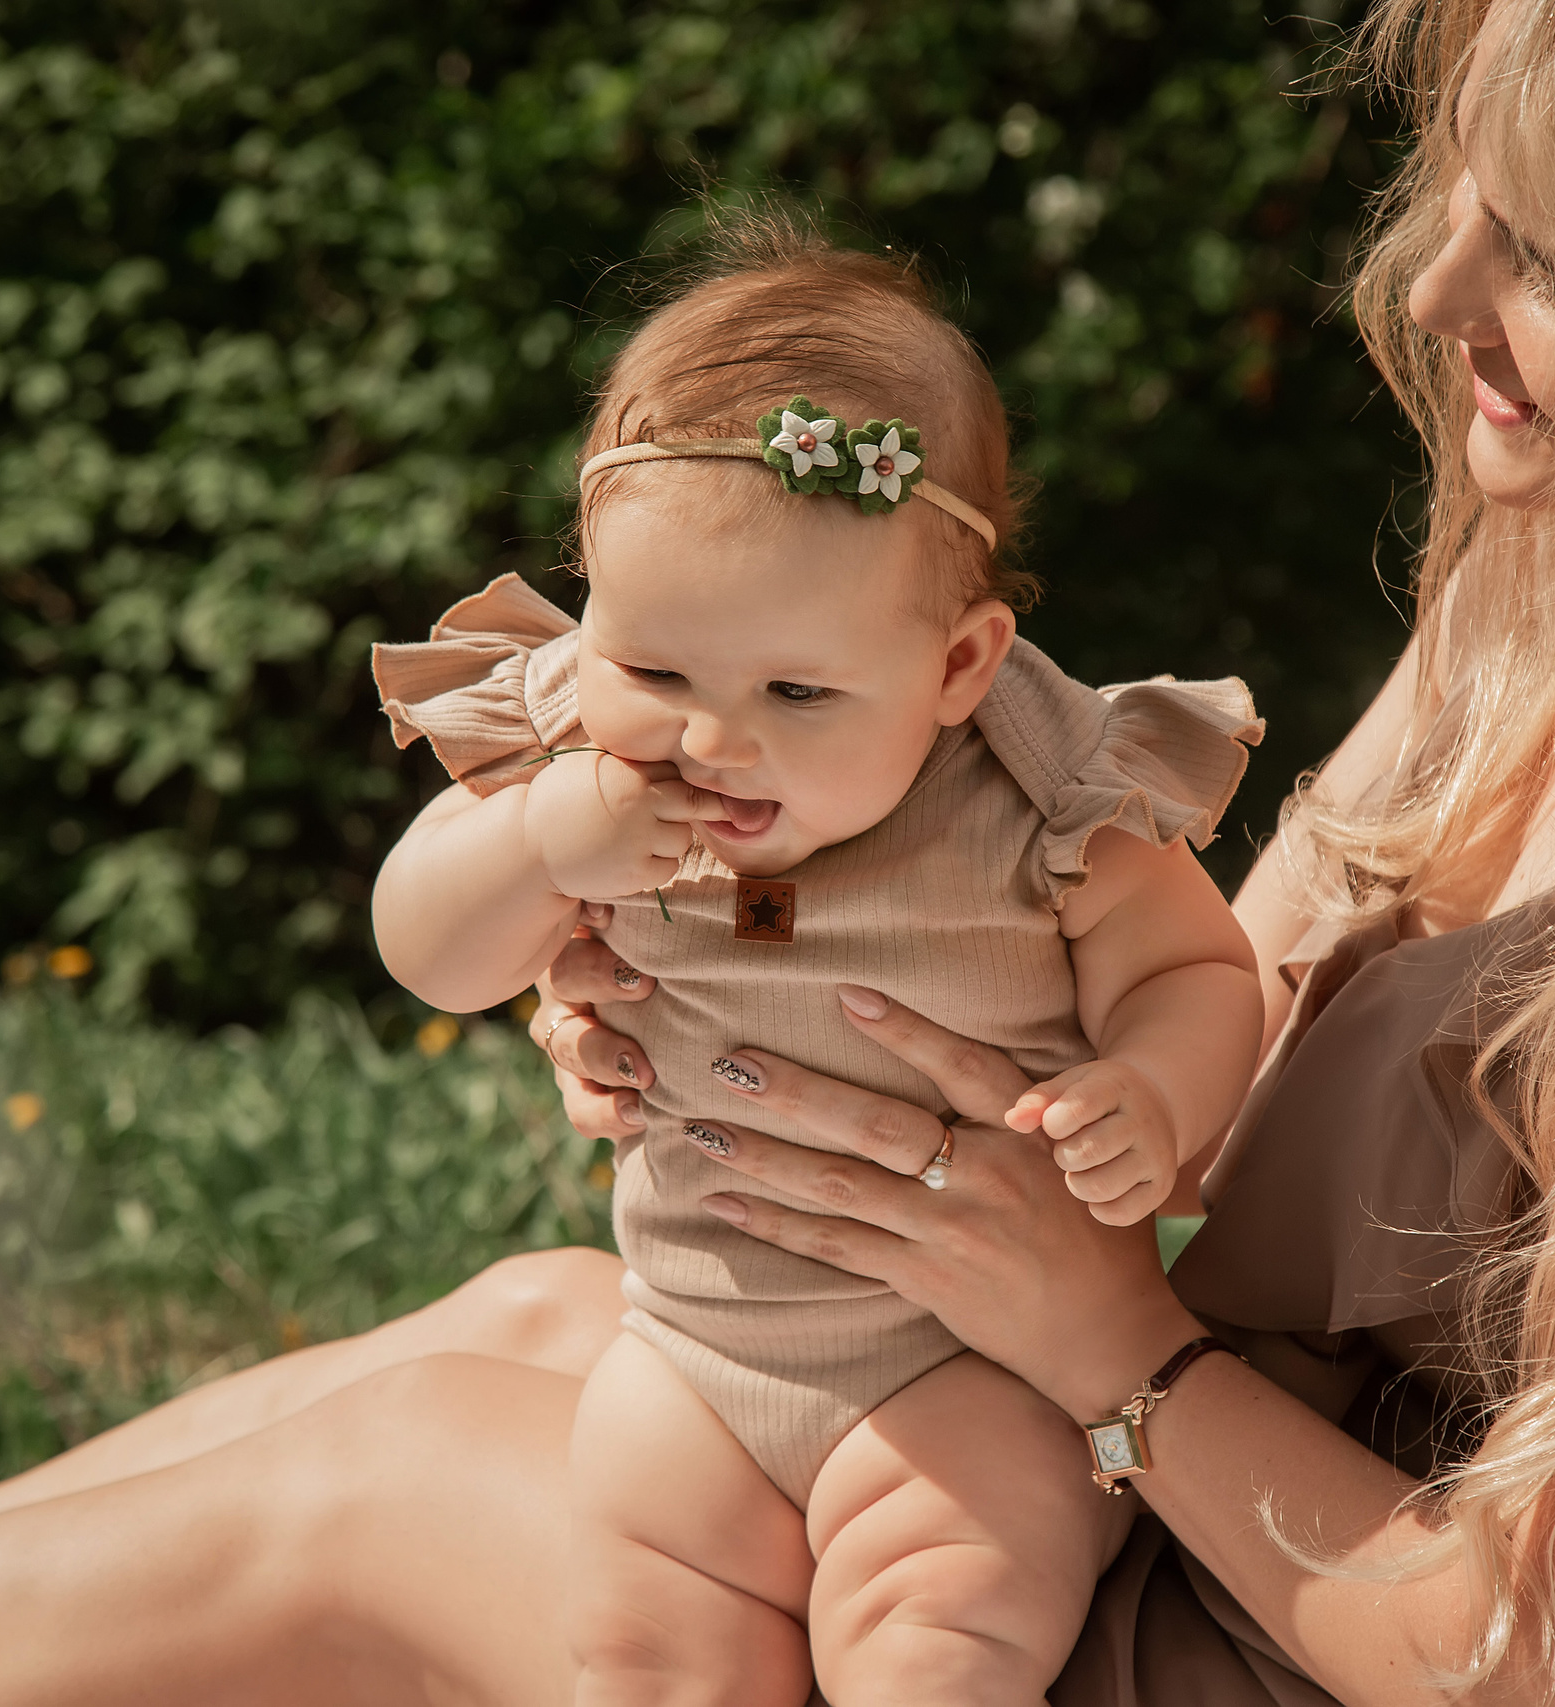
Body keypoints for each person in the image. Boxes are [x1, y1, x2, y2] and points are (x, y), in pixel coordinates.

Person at [0, 0, 1555, 1699]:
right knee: (515, 1323)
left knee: (427, 1478)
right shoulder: (1553, 617)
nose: (1421, 279)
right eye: (1455, 191)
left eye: (1533, 252)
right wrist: (796, 1010)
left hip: (1334, 1626)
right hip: (1208, 1495)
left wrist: (1112, 1356)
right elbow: (1215, 1004)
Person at [365, 236, 1265, 1704]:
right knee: (649, 1654)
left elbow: (1202, 975)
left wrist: (1153, 1093)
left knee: (941, 1640)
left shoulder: (1048, 795)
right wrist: (537, 842)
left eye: (796, 692)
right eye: (656, 673)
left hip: (967, 1370)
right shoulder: (571, 763)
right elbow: (426, 950)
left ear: (959, 666)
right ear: (592, 610)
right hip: (690, 1353)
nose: (712, 741)